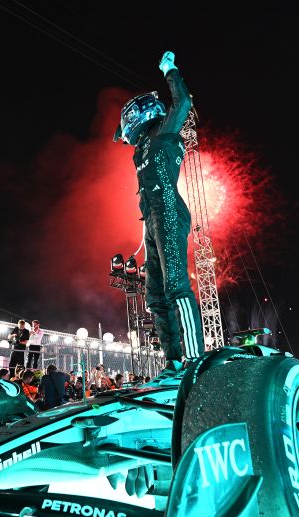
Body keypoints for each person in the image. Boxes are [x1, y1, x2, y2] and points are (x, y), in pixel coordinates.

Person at [114, 51, 203, 374]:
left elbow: (183, 103)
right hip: (151, 221)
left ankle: (195, 358)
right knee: (155, 296)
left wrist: (170, 70)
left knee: (176, 285)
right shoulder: (141, 148)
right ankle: (173, 360)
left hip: (168, 214)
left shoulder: (165, 132)